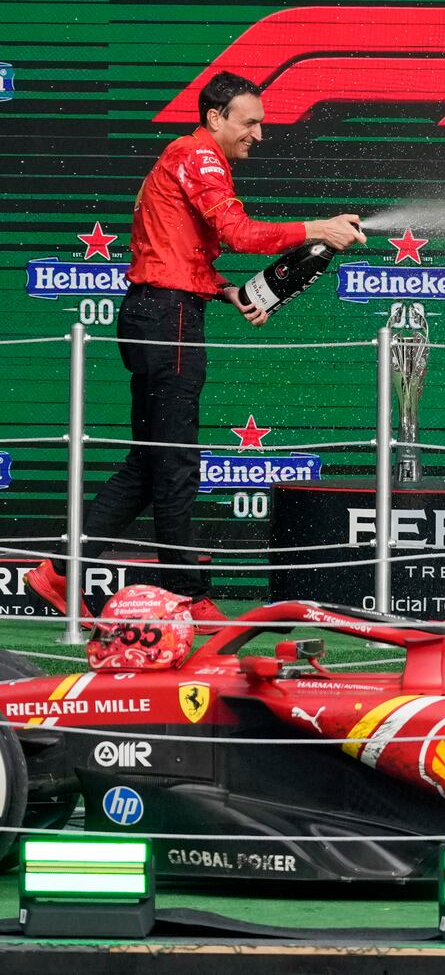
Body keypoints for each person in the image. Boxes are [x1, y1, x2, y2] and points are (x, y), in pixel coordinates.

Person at [25, 71, 364, 628]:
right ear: (215, 117)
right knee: (176, 463)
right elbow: (240, 233)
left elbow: (178, 250)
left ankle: (60, 572)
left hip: (157, 310)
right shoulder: (199, 154)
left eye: (261, 122)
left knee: (150, 458)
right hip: (168, 319)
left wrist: (225, 290)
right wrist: (317, 228)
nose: (259, 133)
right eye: (249, 121)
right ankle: (188, 594)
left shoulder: (188, 157)